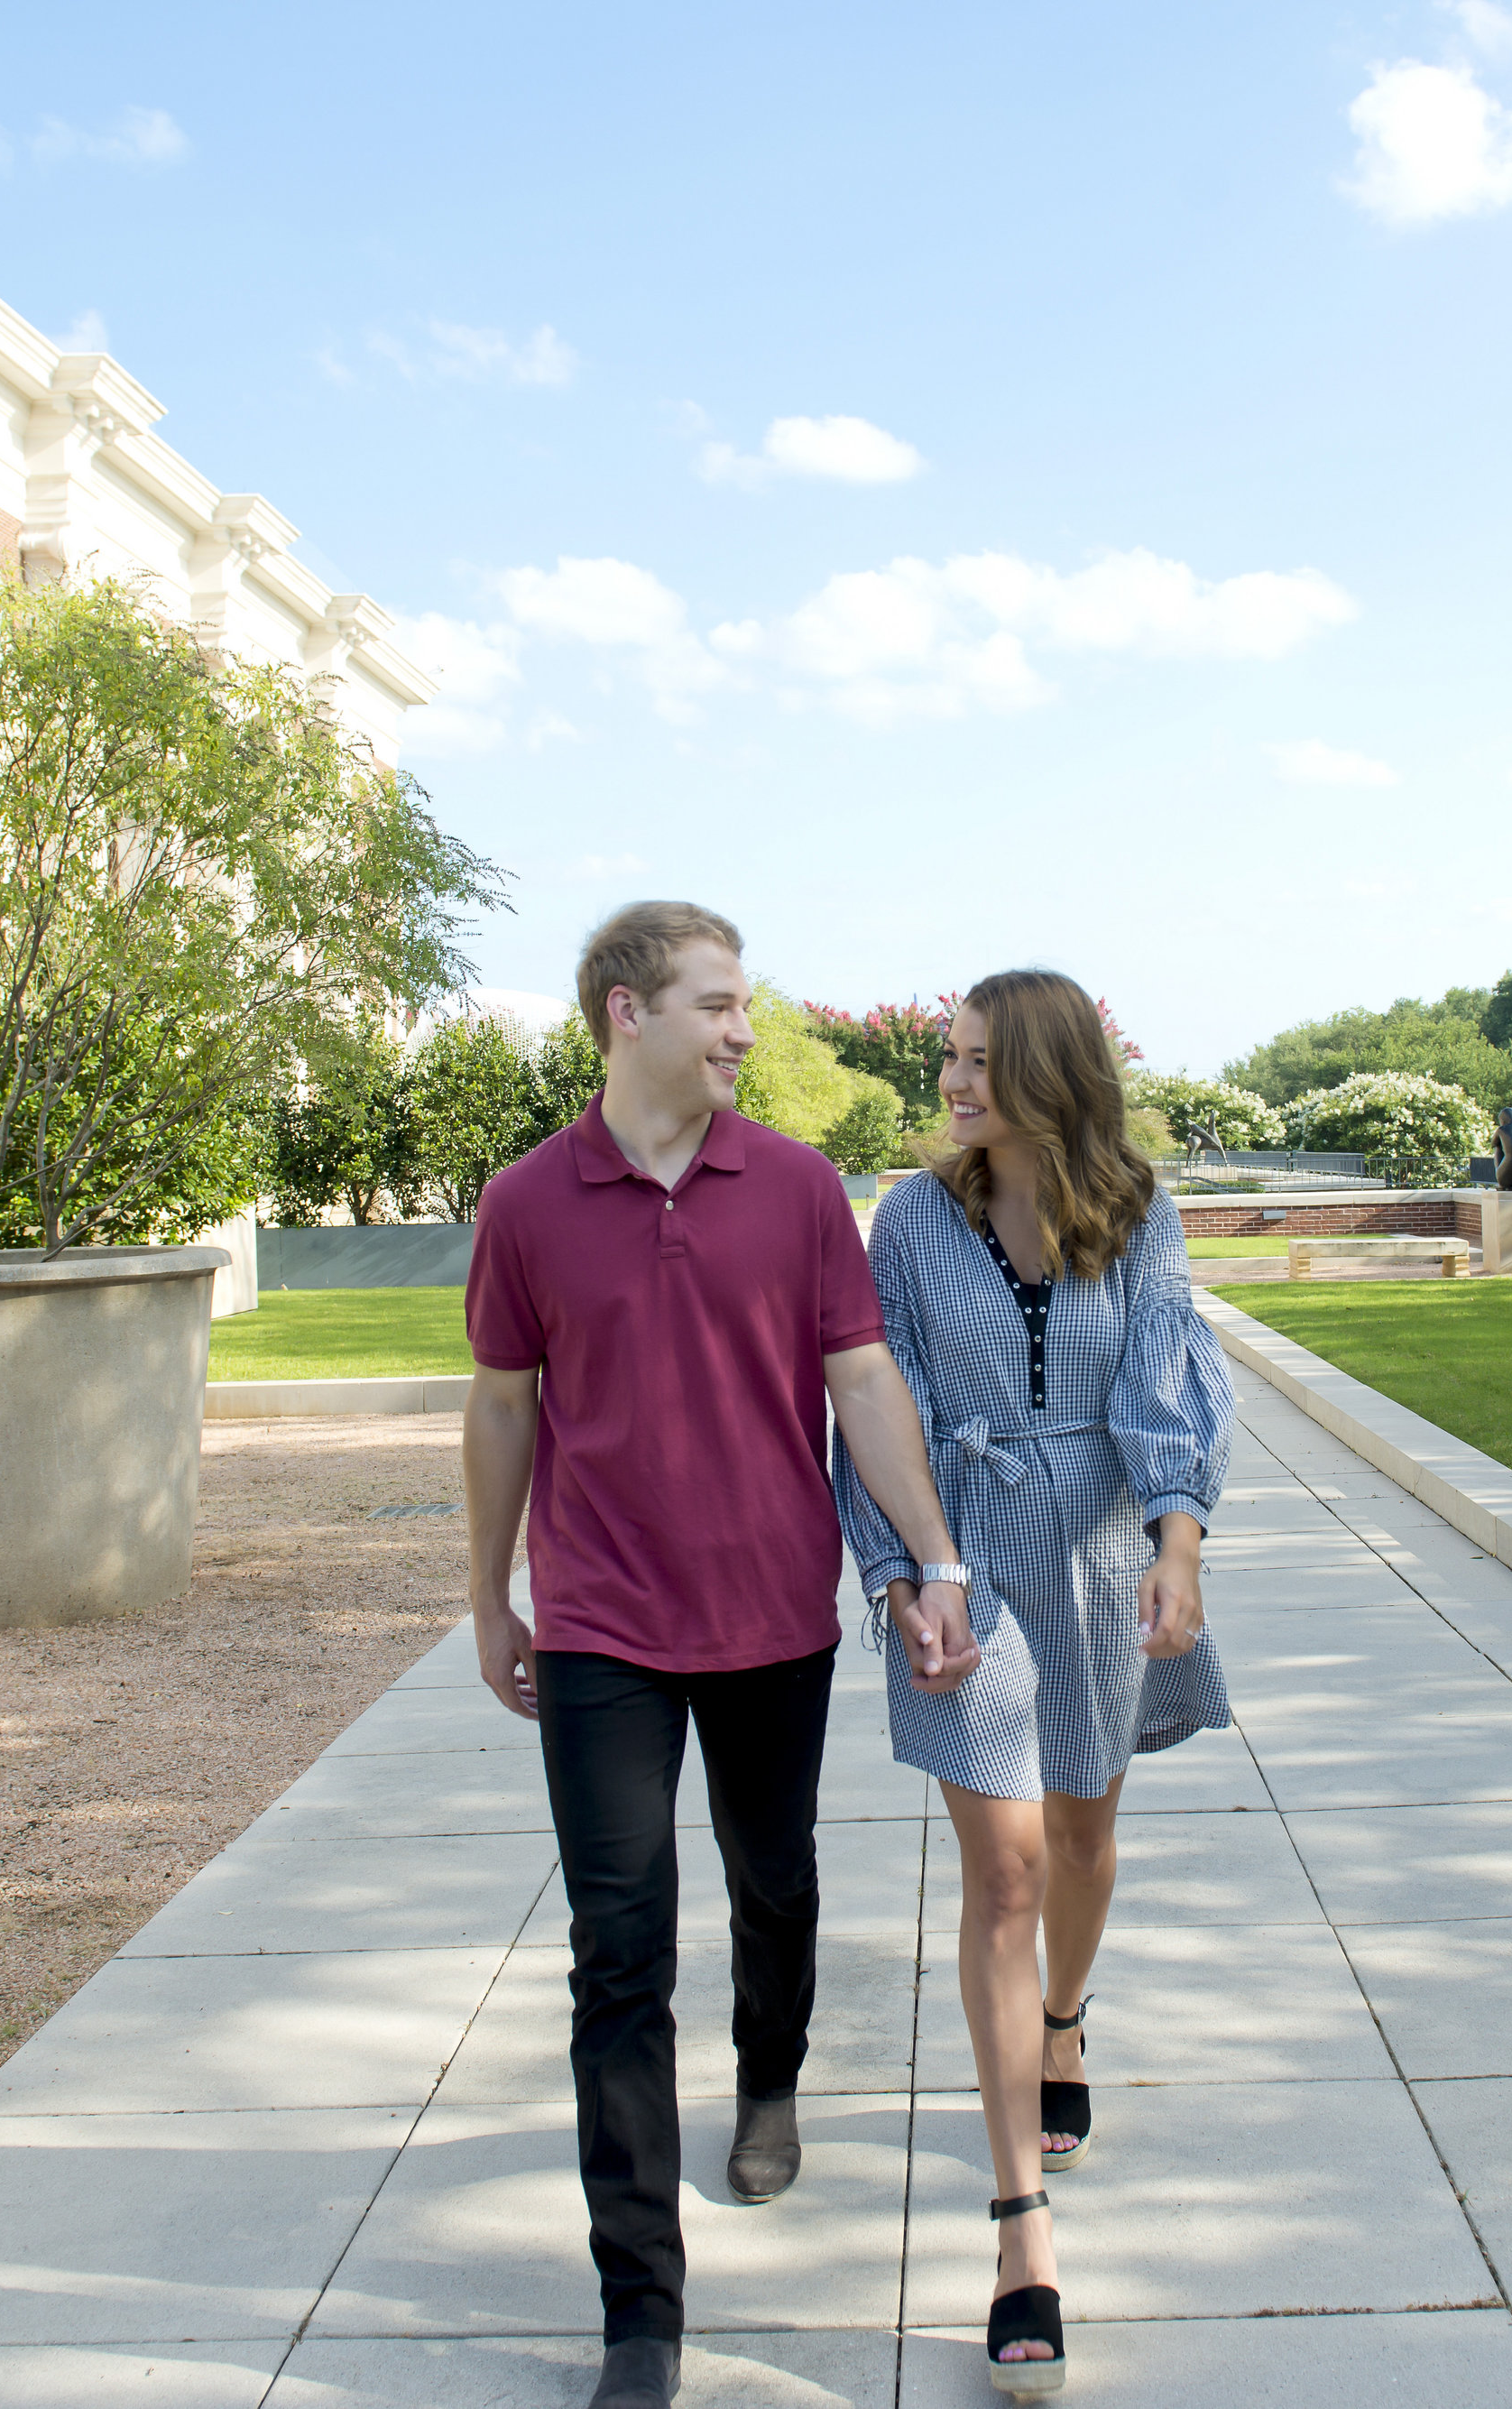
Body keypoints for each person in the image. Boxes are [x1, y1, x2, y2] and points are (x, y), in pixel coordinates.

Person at [462, 900, 975, 2409]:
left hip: (770, 1612)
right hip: (607, 1622)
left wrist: (933, 1556)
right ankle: (642, 2310)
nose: (745, 1030)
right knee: (617, 1951)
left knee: (777, 1876)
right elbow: (502, 1406)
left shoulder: (801, 1187)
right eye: (719, 1004)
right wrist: (491, 1592)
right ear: (628, 1013)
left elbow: (863, 1380)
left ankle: (767, 2078)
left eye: (742, 1005)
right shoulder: (527, 1200)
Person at [832, 968, 1237, 2398]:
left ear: (1051, 1072)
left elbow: (1174, 1386)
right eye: (949, 1056)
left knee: (1080, 1837)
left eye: (982, 1060)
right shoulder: (912, 1220)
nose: (953, 1081)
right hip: (964, 1562)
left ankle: (1064, 2020)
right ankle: (1021, 2234)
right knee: (999, 1875)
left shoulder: (1136, 1213)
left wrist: (1179, 1547)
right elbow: (874, 1401)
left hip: (1107, 1550)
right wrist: (903, 1572)